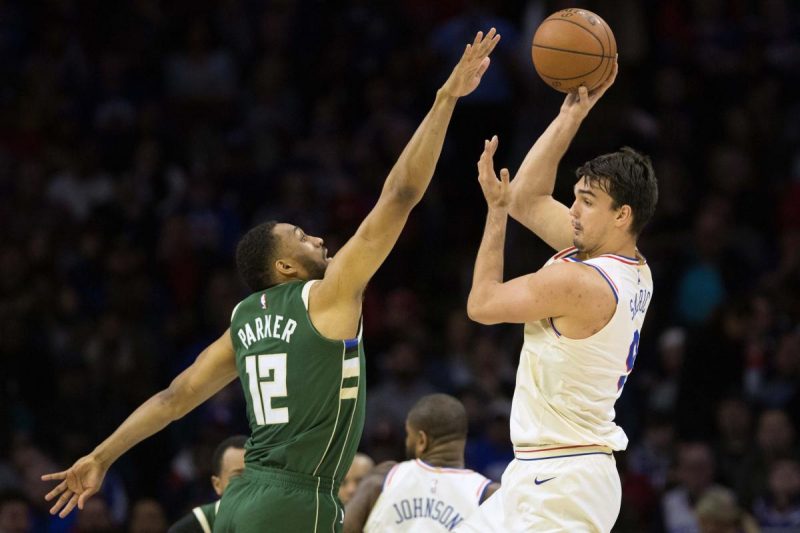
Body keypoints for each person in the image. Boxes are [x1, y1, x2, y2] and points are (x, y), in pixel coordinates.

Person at [41, 28, 501, 533]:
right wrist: (445, 98)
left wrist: (102, 455)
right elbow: (400, 195)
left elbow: (174, 398)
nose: (318, 239)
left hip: (241, 500)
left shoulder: (242, 320)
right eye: (302, 238)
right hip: (298, 502)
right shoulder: (326, 295)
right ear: (284, 267)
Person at [461, 60, 659, 532]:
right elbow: (528, 198)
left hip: (564, 479)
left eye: (586, 202)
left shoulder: (581, 284)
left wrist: (495, 213)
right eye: (575, 197)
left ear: (622, 215)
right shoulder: (632, 267)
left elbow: (482, 304)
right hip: (546, 470)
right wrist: (572, 113)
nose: (572, 211)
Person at [344, 394, 498, 532]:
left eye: (408, 435)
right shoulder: (489, 495)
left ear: (422, 441)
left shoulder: (383, 479)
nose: (406, 441)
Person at [168, 435, 246, 533]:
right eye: (238, 476)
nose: (251, 482)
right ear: (217, 485)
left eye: (256, 473)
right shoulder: (189, 529)